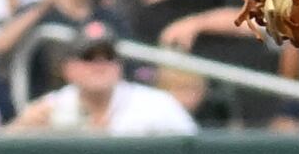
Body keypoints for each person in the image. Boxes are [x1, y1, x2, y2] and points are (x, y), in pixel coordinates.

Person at [15, 24, 196, 135]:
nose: (99, 65)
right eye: (88, 57)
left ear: (120, 66)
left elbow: (194, 152)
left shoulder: (156, 105)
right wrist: (21, 128)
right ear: (68, 68)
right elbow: (1, 151)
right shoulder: (52, 106)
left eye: (108, 57)